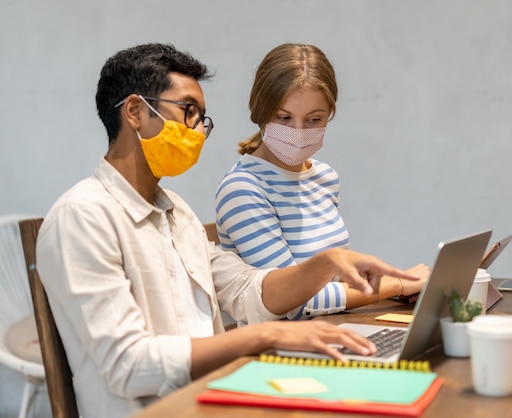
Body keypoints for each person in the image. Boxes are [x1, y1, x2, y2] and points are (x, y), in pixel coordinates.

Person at [35, 43, 422, 418]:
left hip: (219, 395)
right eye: (188, 112)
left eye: (201, 119)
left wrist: (326, 263)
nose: (197, 131)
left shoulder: (177, 214)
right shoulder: (83, 216)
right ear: (135, 111)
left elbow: (245, 290)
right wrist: (264, 336)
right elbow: (128, 365)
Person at [215, 43, 429, 320]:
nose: (299, 132)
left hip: (333, 328)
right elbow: (294, 302)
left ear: (329, 115)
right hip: (281, 346)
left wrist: (388, 283)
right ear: (259, 112)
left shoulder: (324, 177)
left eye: (314, 119)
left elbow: (332, 282)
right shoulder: (243, 189)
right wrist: (397, 283)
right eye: (284, 118)